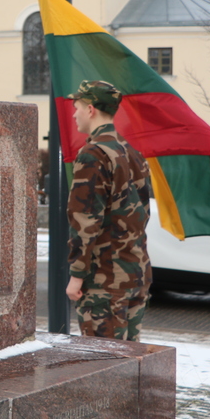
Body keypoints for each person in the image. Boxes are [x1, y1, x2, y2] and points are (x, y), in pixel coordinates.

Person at [65, 79, 152, 341]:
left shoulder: (93, 154)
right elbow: (142, 213)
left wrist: (77, 275)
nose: (74, 114)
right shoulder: (132, 152)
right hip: (136, 272)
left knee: (104, 364)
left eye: (77, 107)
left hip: (105, 280)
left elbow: (85, 220)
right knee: (129, 361)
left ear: (90, 109)